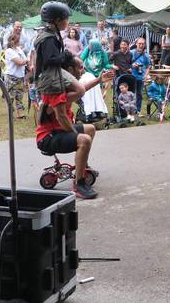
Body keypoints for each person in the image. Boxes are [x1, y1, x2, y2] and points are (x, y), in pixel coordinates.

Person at [36, 52, 113, 199]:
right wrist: (75, 134)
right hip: (47, 137)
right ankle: (79, 184)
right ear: (70, 71)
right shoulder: (56, 88)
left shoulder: (65, 86)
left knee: (90, 128)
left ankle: (82, 167)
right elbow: (61, 115)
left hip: (58, 131)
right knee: (84, 140)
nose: (82, 71)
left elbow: (80, 90)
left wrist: (98, 80)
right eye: (80, 68)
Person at [34, 1, 75, 102]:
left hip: (52, 73)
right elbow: (50, 60)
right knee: (80, 90)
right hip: (50, 76)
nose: (68, 22)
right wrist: (65, 56)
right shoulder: (49, 38)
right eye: (66, 19)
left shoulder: (52, 33)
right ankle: (53, 106)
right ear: (57, 20)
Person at [4, 35, 29, 119]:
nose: (19, 42)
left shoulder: (19, 49)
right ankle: (10, 115)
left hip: (20, 76)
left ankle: (20, 114)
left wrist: (25, 61)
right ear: (11, 41)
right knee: (10, 97)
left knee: (19, 96)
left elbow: (24, 60)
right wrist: (26, 61)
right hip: (11, 77)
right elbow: (19, 62)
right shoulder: (9, 51)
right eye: (17, 40)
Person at [131, 38, 152, 113]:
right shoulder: (131, 53)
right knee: (131, 94)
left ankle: (138, 110)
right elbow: (126, 62)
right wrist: (132, 65)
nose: (141, 45)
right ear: (136, 44)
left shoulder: (145, 55)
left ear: (144, 45)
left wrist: (146, 75)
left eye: (142, 44)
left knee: (139, 94)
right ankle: (131, 109)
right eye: (139, 43)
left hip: (140, 77)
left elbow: (149, 66)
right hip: (131, 76)